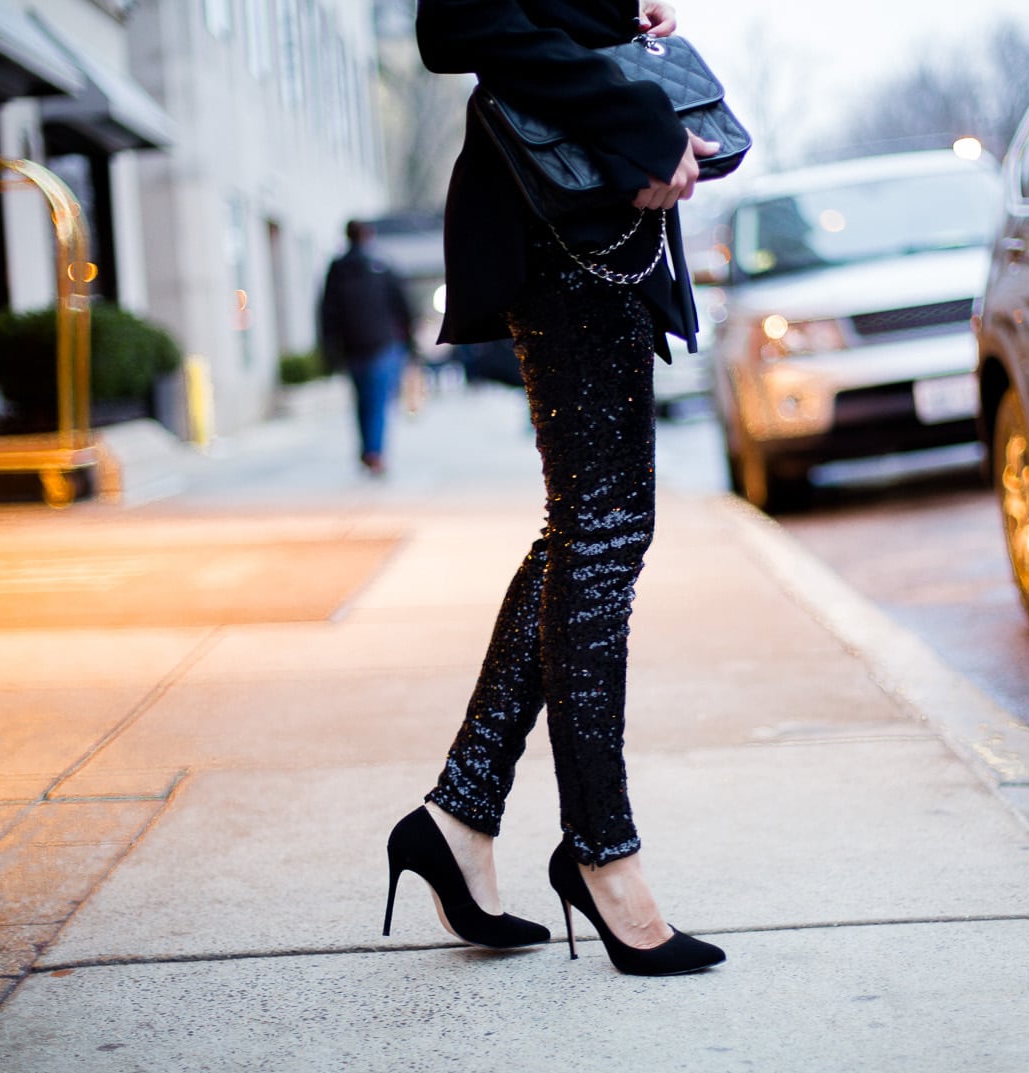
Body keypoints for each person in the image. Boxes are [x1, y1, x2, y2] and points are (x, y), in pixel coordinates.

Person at [379, 0, 725, 976]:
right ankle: (601, 853)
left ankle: (459, 813)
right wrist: (638, 119)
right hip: (562, 206)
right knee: (601, 534)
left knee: (589, 531)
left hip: (585, 208)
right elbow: (458, 22)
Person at [317, 220, 414, 476]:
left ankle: (368, 449)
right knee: (378, 400)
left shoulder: (337, 269)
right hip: (382, 345)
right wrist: (410, 342)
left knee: (363, 400)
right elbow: (403, 306)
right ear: (367, 235)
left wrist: (329, 349)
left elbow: (327, 312)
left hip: (352, 347)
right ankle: (374, 452)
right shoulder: (382, 265)